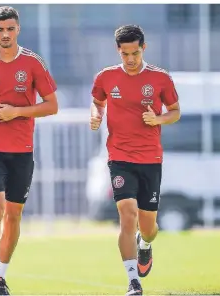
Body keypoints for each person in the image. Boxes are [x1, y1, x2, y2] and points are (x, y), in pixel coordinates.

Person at [0, 6, 58, 296]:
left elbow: (52, 105)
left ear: (18, 29)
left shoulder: (33, 63)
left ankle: (1, 278)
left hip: (21, 149)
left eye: (10, 29)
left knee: (14, 216)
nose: (5, 34)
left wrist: (17, 111)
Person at [90, 25, 181, 296]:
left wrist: (159, 118)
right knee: (127, 215)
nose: (130, 59)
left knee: (149, 227)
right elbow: (97, 101)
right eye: (125, 53)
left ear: (144, 48)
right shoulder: (106, 77)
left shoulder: (160, 78)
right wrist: (95, 115)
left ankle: (145, 244)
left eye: (135, 52)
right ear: (118, 50)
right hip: (119, 156)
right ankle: (133, 281)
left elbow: (175, 111)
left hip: (150, 159)